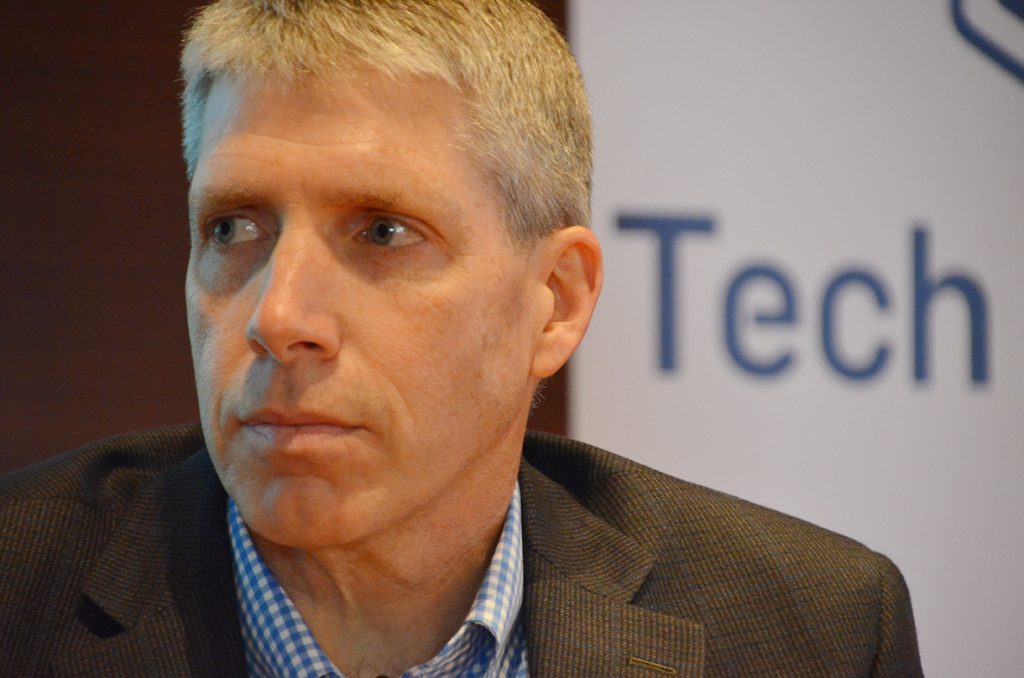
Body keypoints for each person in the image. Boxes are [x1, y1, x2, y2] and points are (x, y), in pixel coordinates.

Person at [0, 1, 923, 676]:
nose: (277, 319)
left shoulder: (815, 630)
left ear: (554, 303)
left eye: (383, 232)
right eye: (233, 229)